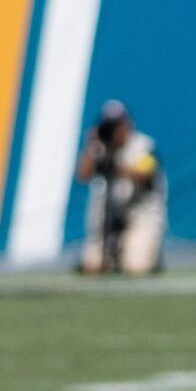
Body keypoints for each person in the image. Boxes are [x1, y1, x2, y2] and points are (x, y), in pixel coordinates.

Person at [77, 98, 166, 273]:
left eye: (117, 125)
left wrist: (113, 163)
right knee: (92, 267)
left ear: (127, 124)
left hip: (139, 218)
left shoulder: (144, 145)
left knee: (135, 267)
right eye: (109, 126)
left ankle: (148, 256)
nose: (114, 131)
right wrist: (91, 147)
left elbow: (145, 173)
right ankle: (112, 256)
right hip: (107, 220)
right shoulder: (99, 148)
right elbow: (82, 176)